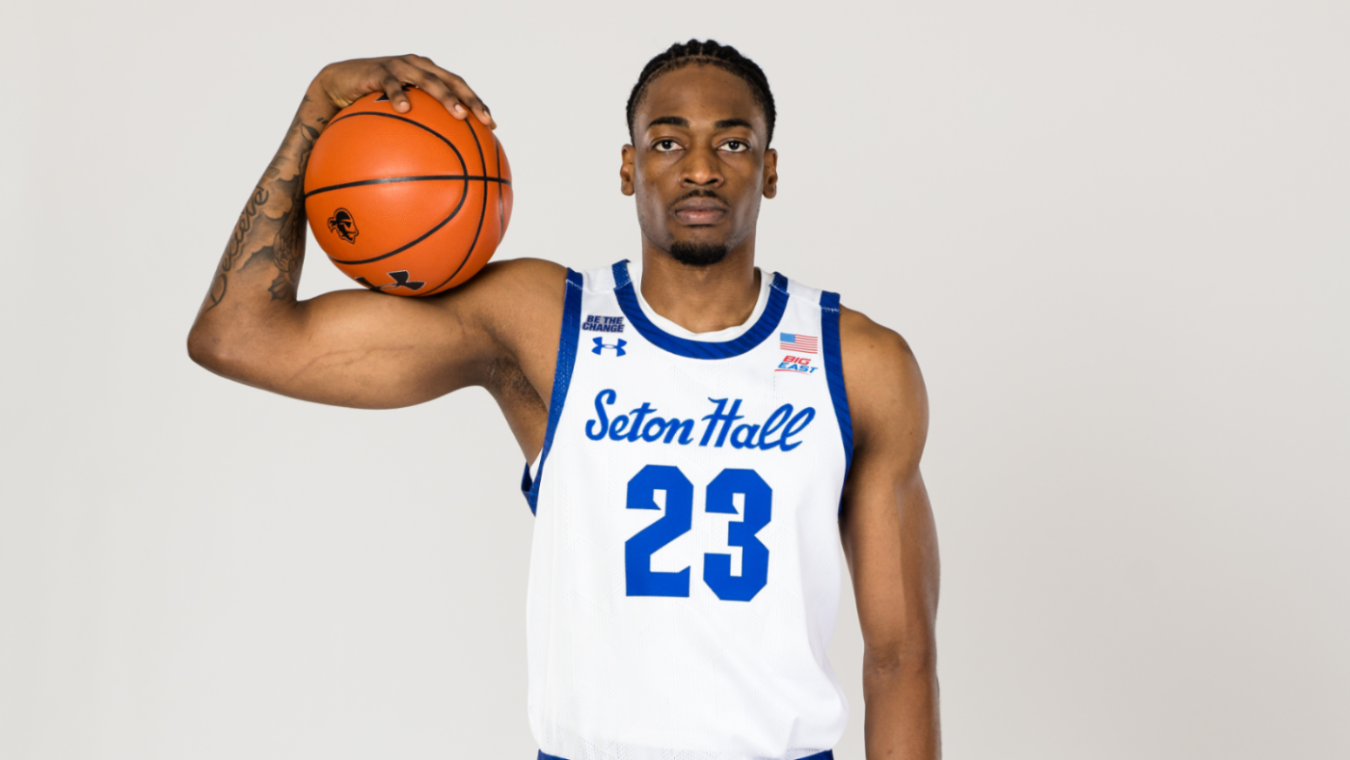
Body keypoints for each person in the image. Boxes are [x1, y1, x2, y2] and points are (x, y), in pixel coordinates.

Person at [188, 40, 940, 760]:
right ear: (628, 166)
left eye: (734, 144)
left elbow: (900, 654)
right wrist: (318, 107)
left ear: (769, 170)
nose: (701, 170)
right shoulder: (543, 325)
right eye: (668, 142)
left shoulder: (857, 363)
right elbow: (239, 336)